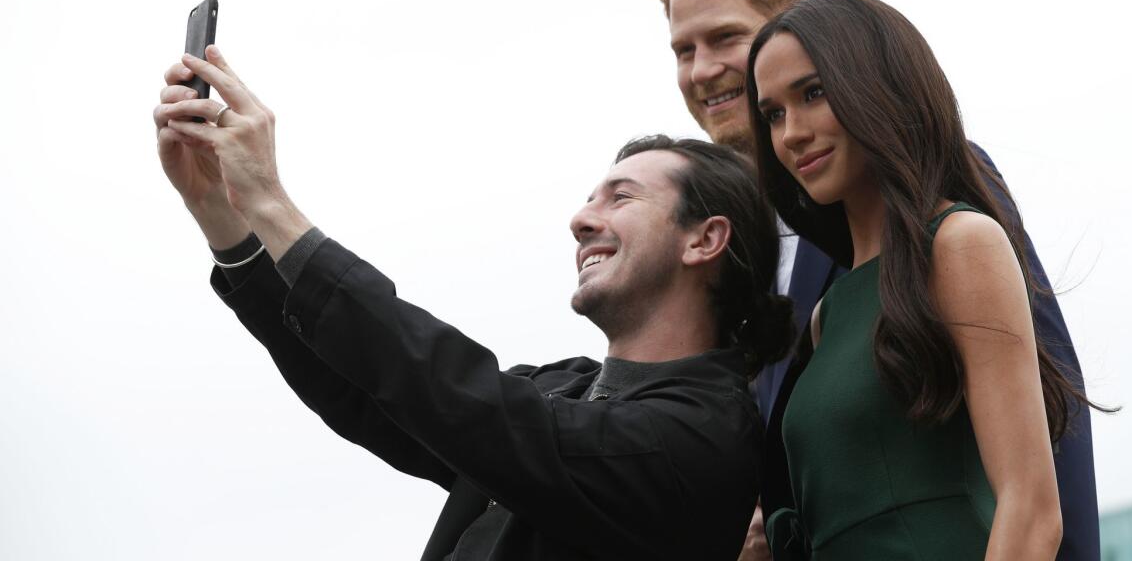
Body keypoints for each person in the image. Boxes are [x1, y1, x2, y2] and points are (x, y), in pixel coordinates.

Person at [153, 46, 795, 561]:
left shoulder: (704, 433)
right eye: (590, 199)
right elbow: (369, 388)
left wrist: (273, 204)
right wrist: (224, 218)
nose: (580, 220)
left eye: (620, 198)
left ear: (704, 240)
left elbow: (462, 397)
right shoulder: (564, 388)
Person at [652, 0, 1098, 561]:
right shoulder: (729, 256)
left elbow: (1048, 442)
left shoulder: (947, 223)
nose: (701, 68)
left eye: (724, 37)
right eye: (682, 49)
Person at [747, 0, 1105, 559]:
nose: (791, 132)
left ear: (876, 84)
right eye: (773, 114)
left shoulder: (959, 245)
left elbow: (1033, 512)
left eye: (813, 93)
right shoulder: (824, 318)